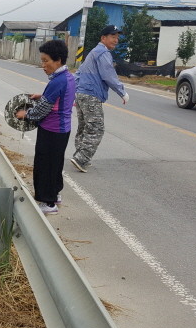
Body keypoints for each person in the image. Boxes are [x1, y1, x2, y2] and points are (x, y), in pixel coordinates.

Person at [15, 40, 75, 215]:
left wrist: (24, 114)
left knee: (45, 165)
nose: (43, 65)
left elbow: (41, 111)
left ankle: (49, 203)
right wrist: (42, 95)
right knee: (55, 164)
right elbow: (59, 97)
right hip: (63, 130)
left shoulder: (57, 81)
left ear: (58, 60)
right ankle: (55, 195)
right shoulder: (68, 77)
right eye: (42, 60)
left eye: (46, 60)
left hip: (51, 130)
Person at [71, 25, 130, 173]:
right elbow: (108, 74)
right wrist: (122, 91)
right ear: (103, 38)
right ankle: (81, 158)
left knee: (84, 127)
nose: (116, 40)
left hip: (82, 94)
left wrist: (74, 92)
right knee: (96, 128)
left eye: (117, 37)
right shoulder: (103, 52)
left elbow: (79, 73)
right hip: (91, 95)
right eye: (112, 36)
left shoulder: (93, 52)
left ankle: (79, 155)